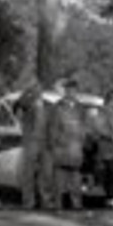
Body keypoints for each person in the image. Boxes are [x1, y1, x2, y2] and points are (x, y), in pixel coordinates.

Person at [45, 79, 86, 210]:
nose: (71, 92)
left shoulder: (80, 108)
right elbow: (52, 127)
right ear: (65, 91)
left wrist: (82, 141)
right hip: (61, 147)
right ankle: (58, 203)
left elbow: (84, 126)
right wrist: (53, 144)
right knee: (59, 177)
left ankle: (76, 203)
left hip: (76, 147)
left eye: (73, 90)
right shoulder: (57, 107)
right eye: (68, 89)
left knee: (75, 177)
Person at [12, 82, 43, 209]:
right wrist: (25, 93)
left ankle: (43, 200)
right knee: (28, 174)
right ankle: (28, 201)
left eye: (39, 89)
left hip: (43, 143)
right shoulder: (26, 105)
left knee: (43, 174)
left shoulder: (44, 105)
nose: (37, 92)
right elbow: (16, 108)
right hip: (30, 142)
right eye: (34, 90)